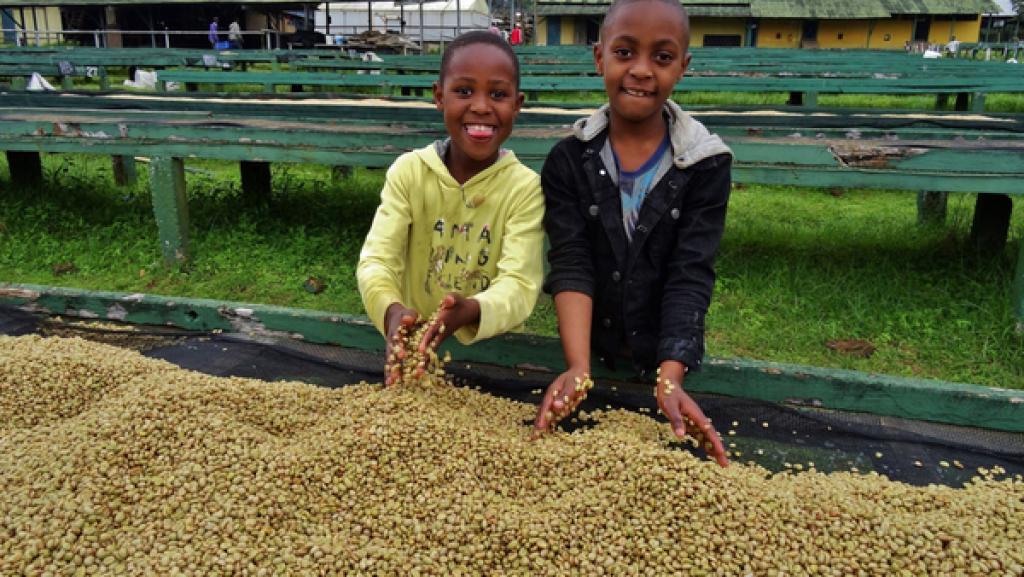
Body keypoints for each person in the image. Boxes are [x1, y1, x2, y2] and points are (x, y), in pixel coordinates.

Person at [535, 0, 731, 466]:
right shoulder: (568, 161)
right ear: (599, 57)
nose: (641, 70)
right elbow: (572, 262)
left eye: (661, 58)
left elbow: (690, 272)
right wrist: (578, 368)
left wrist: (671, 376)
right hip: (593, 344)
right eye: (625, 53)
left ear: (683, 66)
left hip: (659, 349)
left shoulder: (705, 164)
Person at [357, 30, 544, 385]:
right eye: (464, 91)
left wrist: (472, 310)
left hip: (497, 356)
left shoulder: (524, 188)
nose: (481, 106)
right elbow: (377, 262)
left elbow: (520, 285)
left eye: (498, 94)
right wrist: (392, 313)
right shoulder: (410, 173)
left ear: (517, 104)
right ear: (439, 97)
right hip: (415, 350)